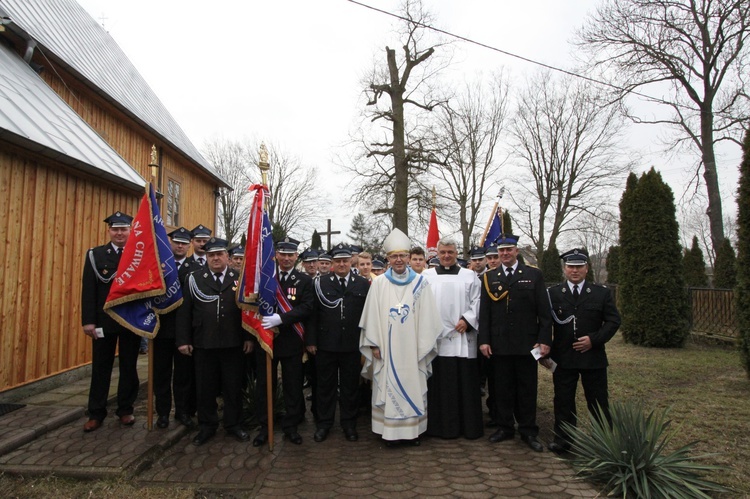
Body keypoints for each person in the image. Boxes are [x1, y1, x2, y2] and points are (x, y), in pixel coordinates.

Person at [359, 228, 442, 445]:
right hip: (386, 347)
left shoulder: (420, 284)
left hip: (413, 347)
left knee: (413, 384)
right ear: (387, 258)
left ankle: (412, 432)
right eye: (393, 256)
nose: (398, 260)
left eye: (402, 255)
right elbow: (371, 317)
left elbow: (429, 318)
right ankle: (390, 433)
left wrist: (424, 344)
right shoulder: (379, 284)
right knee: (387, 384)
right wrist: (373, 344)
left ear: (408, 257)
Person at [478, 234, 552, 452]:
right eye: (501, 251)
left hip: (526, 345)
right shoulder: (490, 277)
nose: (505, 254)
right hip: (499, 345)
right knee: (501, 389)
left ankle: (529, 431)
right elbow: (485, 313)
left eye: (509, 250)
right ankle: (505, 427)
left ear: (516, 251)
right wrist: (484, 341)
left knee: (527, 389)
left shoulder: (533, 275)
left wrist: (544, 340)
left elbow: (544, 313)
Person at [176, 237, 253, 446]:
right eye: (211, 255)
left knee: (233, 387)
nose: (216, 258)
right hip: (204, 343)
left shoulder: (239, 278)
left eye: (220, 254)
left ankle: (233, 424)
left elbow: (247, 313)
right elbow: (185, 313)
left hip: (233, 343)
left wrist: (248, 338)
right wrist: (184, 340)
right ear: (206, 258)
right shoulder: (194, 279)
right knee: (205, 387)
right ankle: (207, 426)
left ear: (228, 257)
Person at [545, 248, 621, 454]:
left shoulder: (600, 293)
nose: (575, 271)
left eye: (579, 267)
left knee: (598, 402)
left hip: (593, 357)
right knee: (563, 401)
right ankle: (563, 441)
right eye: (571, 267)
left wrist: (594, 340)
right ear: (565, 269)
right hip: (564, 357)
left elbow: (614, 321)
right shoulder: (553, 294)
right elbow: (545, 323)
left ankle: (603, 443)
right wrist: (545, 349)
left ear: (586, 269)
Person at [81, 212, 142, 432]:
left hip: (130, 321)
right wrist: (88, 321)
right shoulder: (95, 255)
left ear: (130, 231)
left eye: (123, 229)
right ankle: (96, 413)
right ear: (109, 231)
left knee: (129, 367)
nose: (119, 233)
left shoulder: (138, 256)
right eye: (115, 229)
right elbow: (89, 290)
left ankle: (125, 409)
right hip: (103, 321)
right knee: (101, 367)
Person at [253, 237, 315, 446]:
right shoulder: (265, 279)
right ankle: (265, 427)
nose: (286, 258)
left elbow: (307, 308)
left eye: (291, 255)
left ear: (296, 256)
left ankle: (291, 426)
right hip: (267, 341)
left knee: (293, 386)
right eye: (283, 254)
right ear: (276, 255)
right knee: (264, 386)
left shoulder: (304, 281)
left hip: (291, 341)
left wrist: (282, 318)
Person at [307, 243, 370, 443]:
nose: (342, 264)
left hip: (352, 344)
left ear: (351, 261)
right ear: (332, 263)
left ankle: (349, 424)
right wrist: (311, 340)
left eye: (345, 260)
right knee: (325, 386)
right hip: (326, 344)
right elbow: (312, 315)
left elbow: (367, 316)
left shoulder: (362, 284)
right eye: (337, 261)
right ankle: (324, 424)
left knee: (350, 386)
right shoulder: (320, 283)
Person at [422, 239, 483, 439]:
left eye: (450, 252)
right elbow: (420, 303)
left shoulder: (469, 276)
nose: (447, 256)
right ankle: (438, 427)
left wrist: (467, 319)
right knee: (440, 385)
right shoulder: (426, 276)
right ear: (436, 254)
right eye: (443, 252)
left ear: (456, 253)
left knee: (464, 383)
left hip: (462, 337)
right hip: (437, 339)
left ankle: (467, 427)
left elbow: (478, 301)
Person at [152, 227, 198, 429]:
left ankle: (182, 412)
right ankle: (162, 413)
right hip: (160, 330)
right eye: (176, 242)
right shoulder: (158, 266)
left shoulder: (196, 268)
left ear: (189, 245)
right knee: (161, 375)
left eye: (184, 242)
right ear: (170, 244)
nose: (180, 246)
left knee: (183, 376)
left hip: (185, 332)